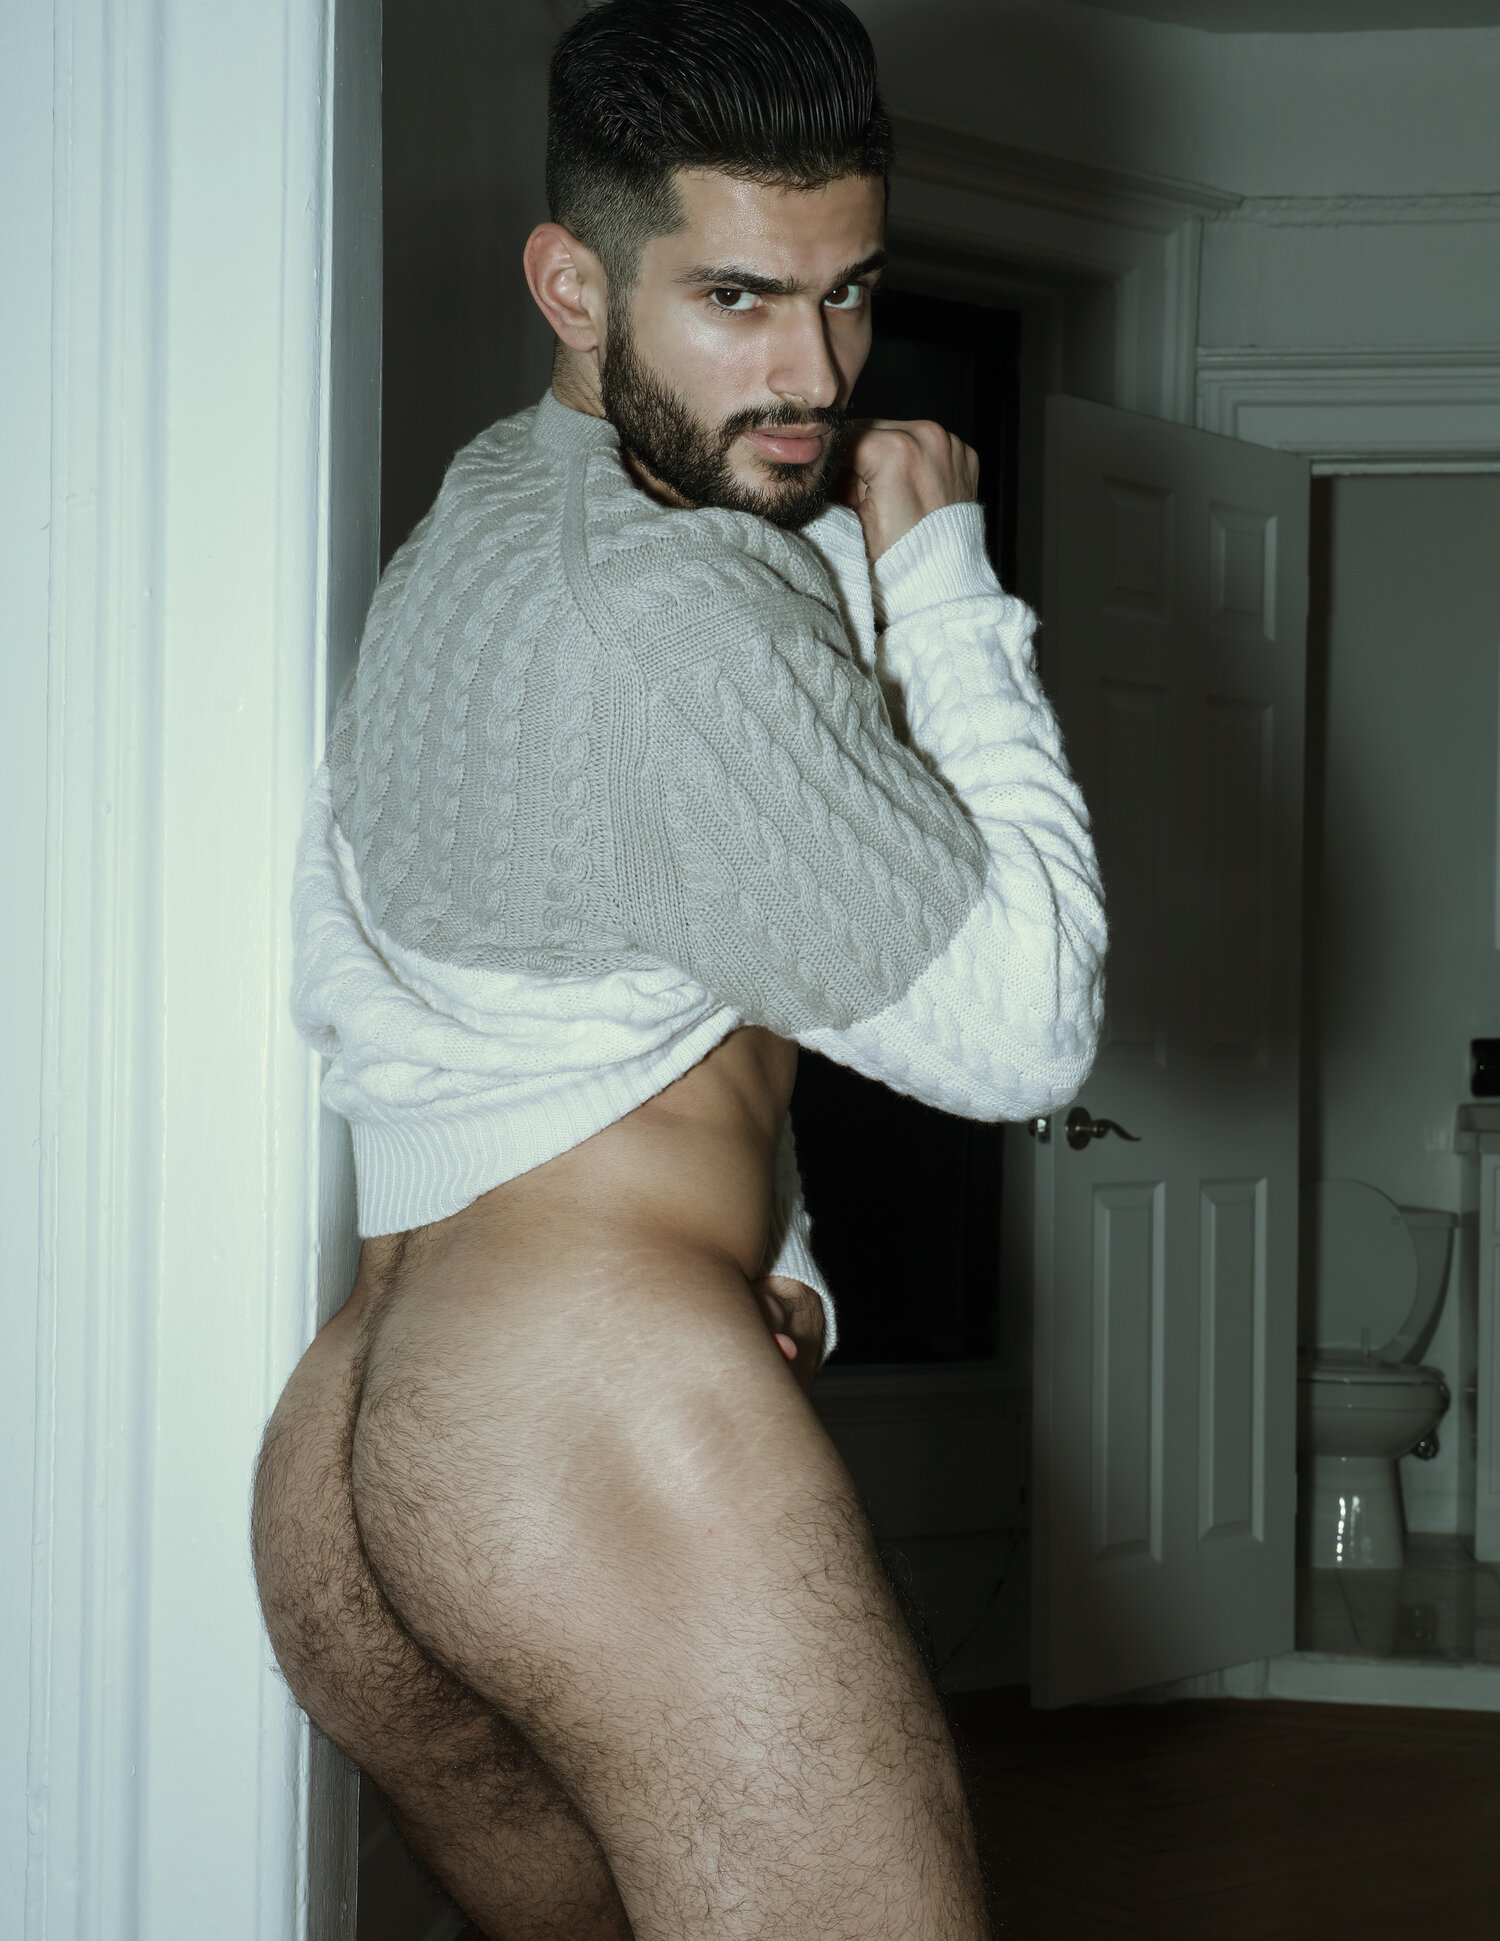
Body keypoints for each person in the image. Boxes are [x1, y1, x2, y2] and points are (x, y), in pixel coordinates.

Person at [252, 1, 1105, 1935]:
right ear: (574, 282)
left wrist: (770, 1241)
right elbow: (1030, 1025)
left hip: (367, 1436)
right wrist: (948, 573)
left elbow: (481, 953)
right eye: (737, 298)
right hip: (595, 1432)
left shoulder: (489, 511)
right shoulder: (677, 613)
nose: (813, 372)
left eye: (848, 291)